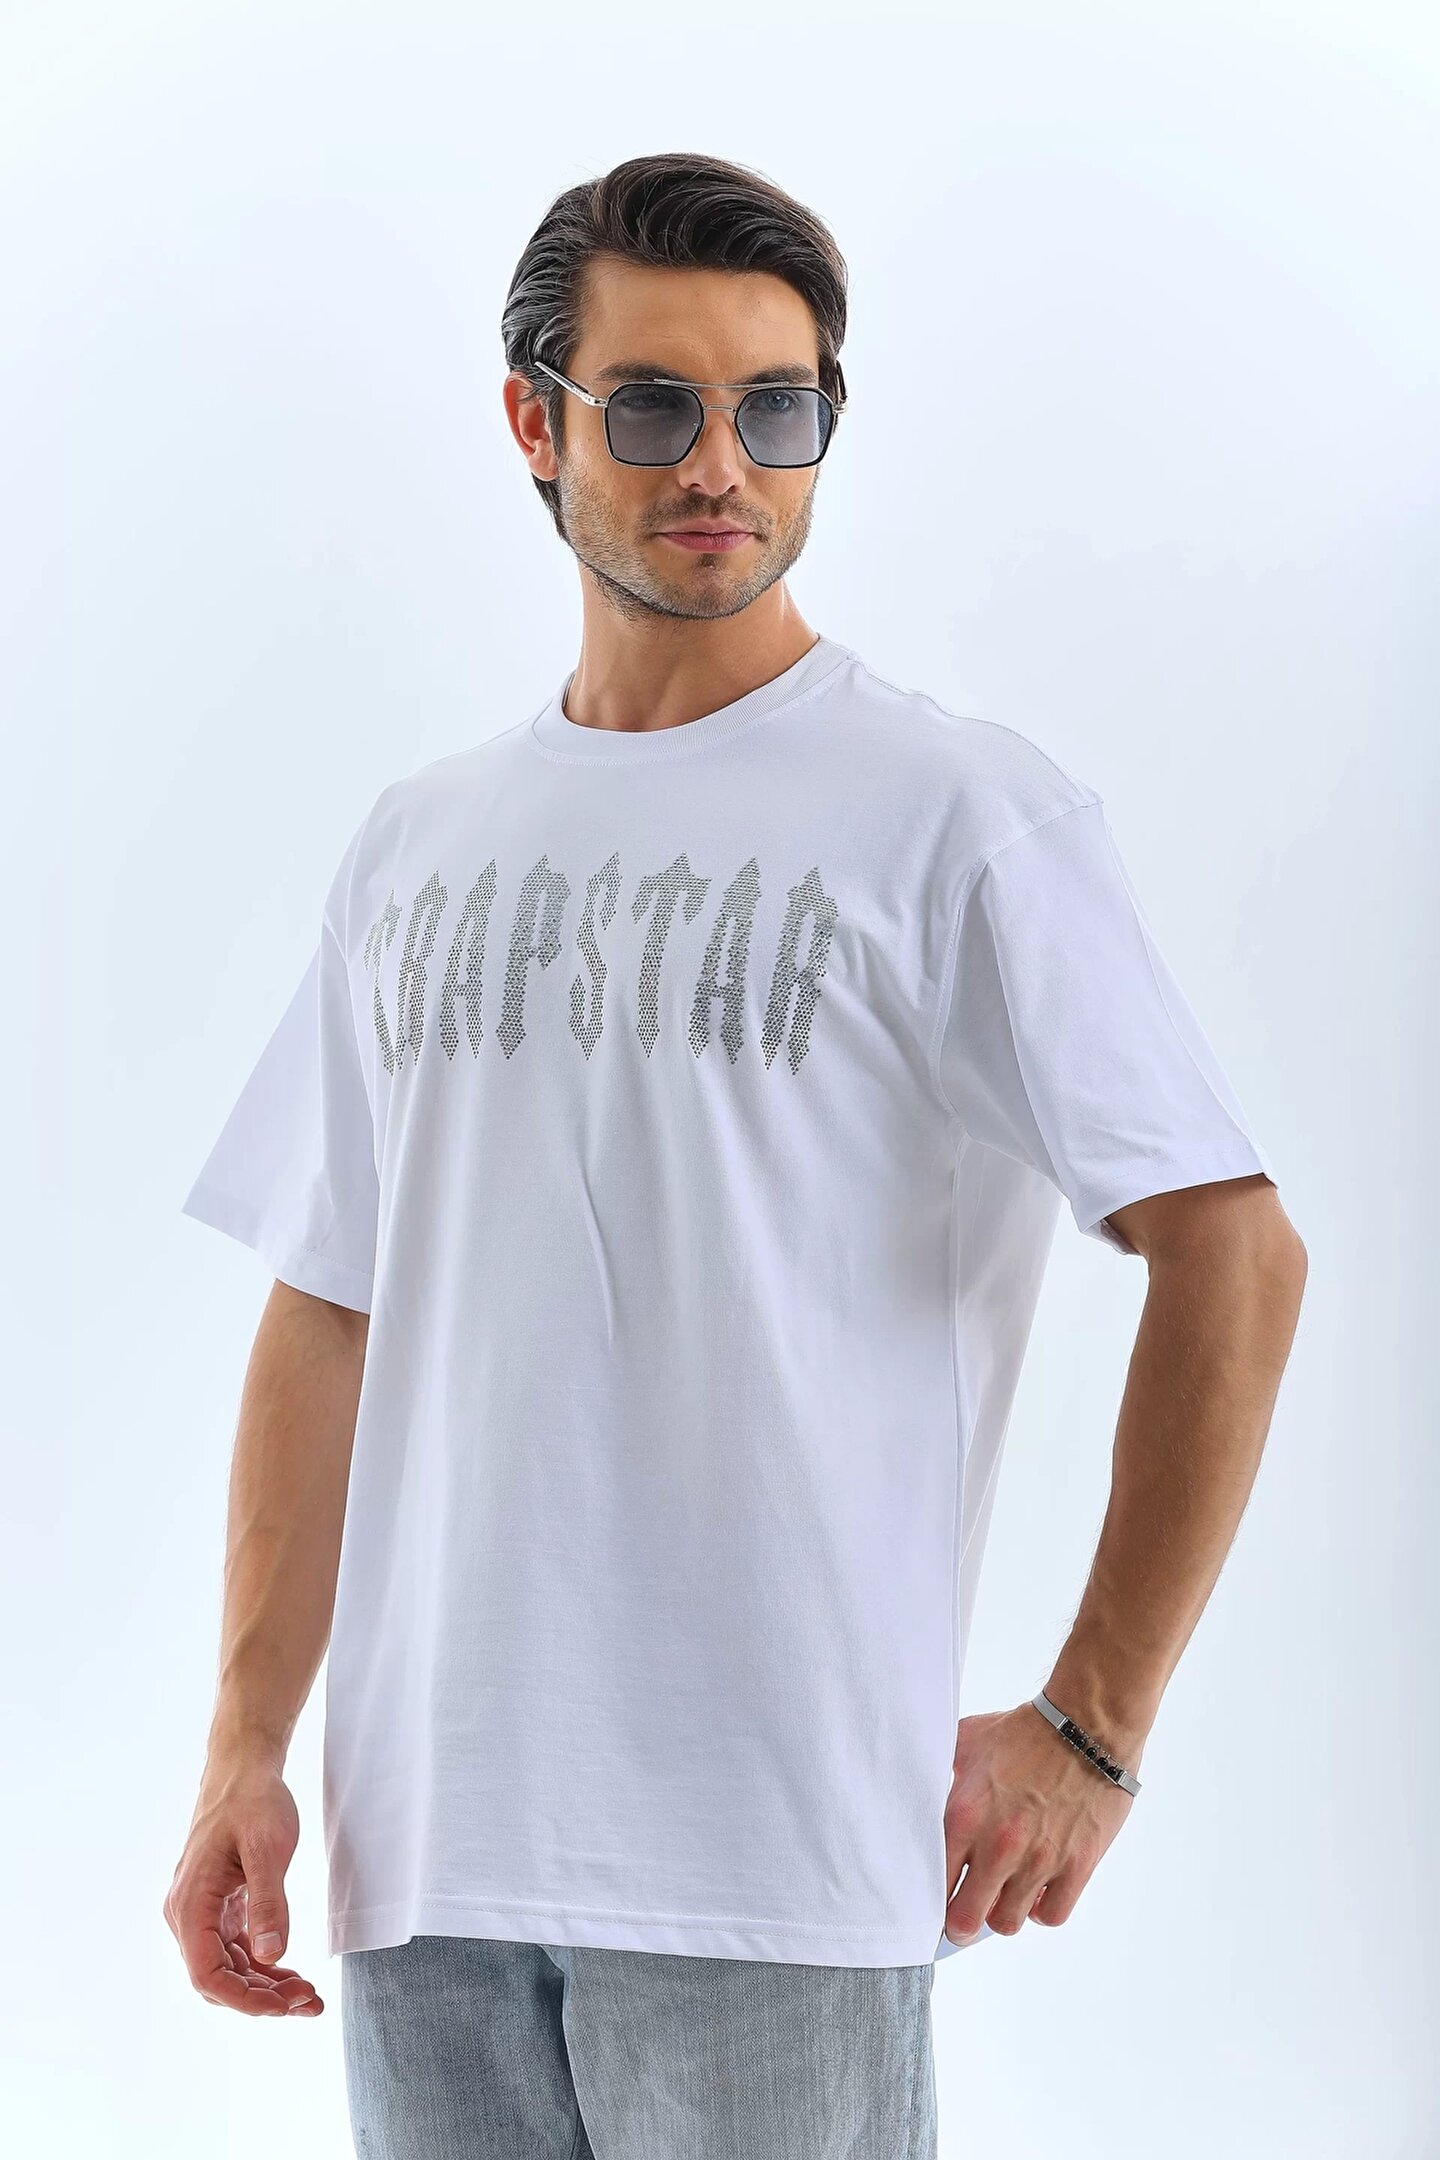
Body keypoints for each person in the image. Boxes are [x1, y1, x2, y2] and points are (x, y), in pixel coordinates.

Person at [162, 151, 1307, 2159]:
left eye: (778, 408)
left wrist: (1093, 1728)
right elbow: (329, 1311)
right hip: (423, 1862)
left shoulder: (956, 816)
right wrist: (245, 1745)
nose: (722, 465)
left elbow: (1236, 1250)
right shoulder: (418, 847)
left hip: (774, 1862)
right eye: (654, 405)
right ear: (535, 422)